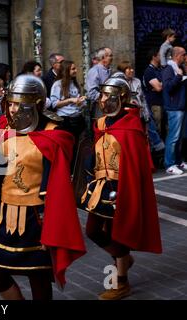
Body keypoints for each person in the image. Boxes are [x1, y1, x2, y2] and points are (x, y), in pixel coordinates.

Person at [0, 74, 86, 300]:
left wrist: (50, 226)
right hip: (4, 216)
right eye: (11, 103)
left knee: (38, 276)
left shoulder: (53, 135)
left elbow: (53, 187)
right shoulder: (6, 131)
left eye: (19, 103)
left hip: (36, 217)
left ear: (35, 102)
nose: (13, 109)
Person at [81, 75, 162, 300]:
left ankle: (121, 283)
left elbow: (137, 163)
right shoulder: (100, 123)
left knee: (118, 233)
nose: (102, 99)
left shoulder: (131, 126)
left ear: (121, 98)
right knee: (93, 231)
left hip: (122, 188)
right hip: (101, 187)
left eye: (108, 95)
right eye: (102, 94)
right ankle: (123, 258)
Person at [161, 46, 186, 175]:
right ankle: (169, 164)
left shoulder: (178, 69)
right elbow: (168, 87)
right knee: (173, 137)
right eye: (183, 55)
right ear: (177, 56)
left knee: (179, 137)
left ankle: (178, 161)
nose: (185, 57)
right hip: (174, 108)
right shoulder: (169, 69)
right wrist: (179, 77)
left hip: (180, 107)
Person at [50, 60, 87, 138]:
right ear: (66, 70)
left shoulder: (74, 83)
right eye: (73, 69)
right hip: (65, 120)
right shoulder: (58, 84)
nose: (76, 71)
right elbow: (54, 104)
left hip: (77, 119)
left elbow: (76, 103)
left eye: (75, 68)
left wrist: (80, 101)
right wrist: (70, 100)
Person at [86, 47, 113, 118]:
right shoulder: (94, 71)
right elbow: (91, 93)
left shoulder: (110, 71)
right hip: (100, 107)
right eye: (110, 56)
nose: (112, 58)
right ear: (103, 57)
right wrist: (105, 98)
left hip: (111, 107)